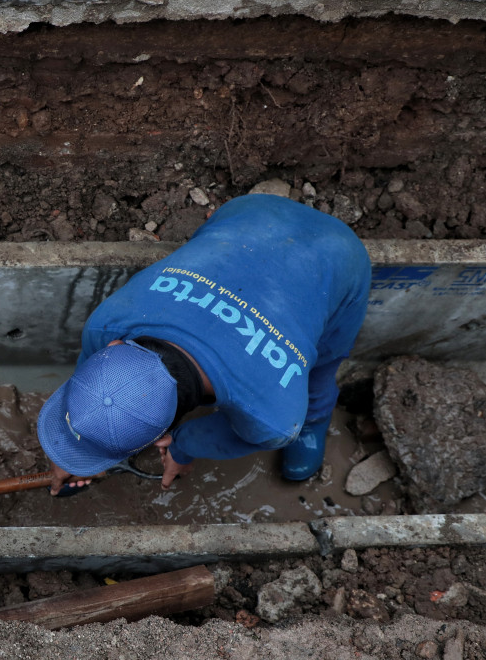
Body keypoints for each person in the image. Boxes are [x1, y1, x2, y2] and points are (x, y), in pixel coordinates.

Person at [38, 193, 371, 493]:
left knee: (319, 371)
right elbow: (89, 381)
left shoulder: (274, 416)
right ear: (111, 349)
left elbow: (243, 436)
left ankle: (315, 422)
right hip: (251, 213)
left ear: (112, 347)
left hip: (338, 259)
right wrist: (70, 452)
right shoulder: (107, 323)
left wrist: (183, 447)